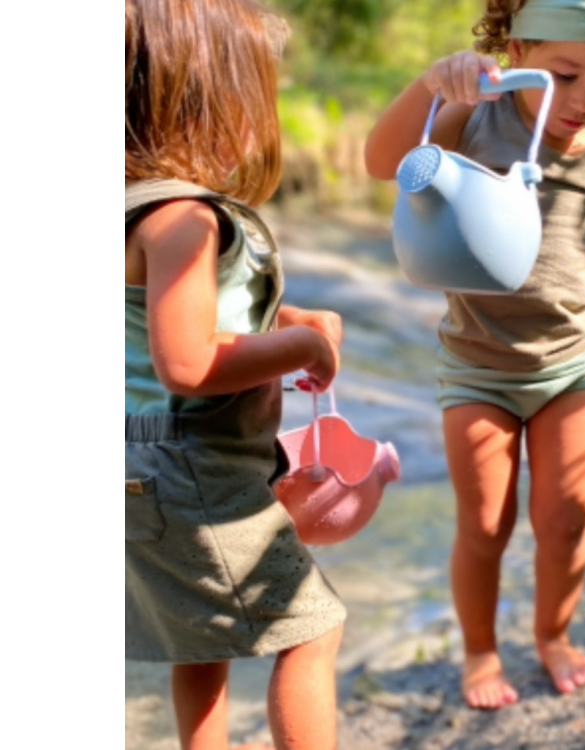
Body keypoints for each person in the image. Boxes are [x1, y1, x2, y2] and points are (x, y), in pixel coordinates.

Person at [364, 0, 585, 711]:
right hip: (478, 367)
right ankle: (480, 650)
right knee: (486, 524)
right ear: (520, 48)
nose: (584, 101)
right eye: (566, 74)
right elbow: (380, 161)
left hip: (573, 365)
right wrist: (433, 86)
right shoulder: (475, 116)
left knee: (566, 517)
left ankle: (552, 636)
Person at [125, 1, 347, 747]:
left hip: (143, 463)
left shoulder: (129, 210)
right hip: (192, 469)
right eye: (257, 99)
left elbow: (169, 326)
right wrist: (304, 354)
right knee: (312, 630)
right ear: (208, 102)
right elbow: (186, 362)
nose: (262, 121)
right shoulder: (187, 218)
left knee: (202, 639)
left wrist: (285, 324)